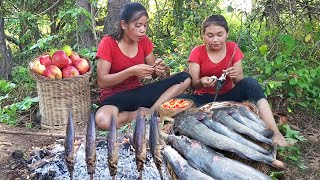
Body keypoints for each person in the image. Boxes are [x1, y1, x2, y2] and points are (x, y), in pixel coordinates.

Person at [178, 14, 290, 147]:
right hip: (204, 100)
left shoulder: (232, 48)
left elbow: (240, 82)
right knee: (179, 98)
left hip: (229, 98)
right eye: (210, 35)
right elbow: (193, 86)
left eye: (220, 34)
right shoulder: (197, 52)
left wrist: (234, 75)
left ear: (226, 34)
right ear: (203, 36)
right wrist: (202, 82)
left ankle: (275, 133)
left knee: (250, 83)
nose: (215, 40)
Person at [95, 2, 191, 130]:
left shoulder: (144, 42)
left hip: (139, 94)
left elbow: (153, 73)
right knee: (103, 120)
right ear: (124, 24)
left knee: (185, 78)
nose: (143, 30)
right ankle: (135, 115)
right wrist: (131, 71)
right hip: (114, 98)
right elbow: (102, 82)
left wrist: (159, 69)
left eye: (145, 25)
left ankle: (151, 112)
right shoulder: (108, 43)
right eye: (138, 25)